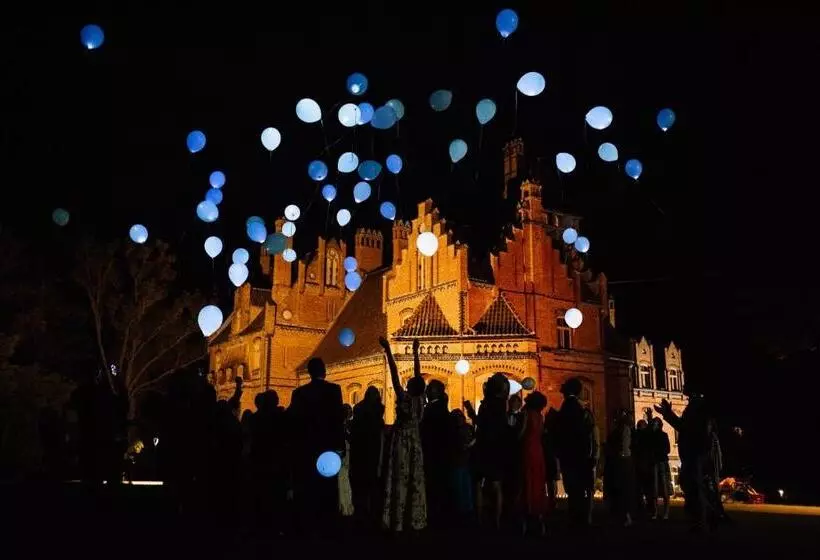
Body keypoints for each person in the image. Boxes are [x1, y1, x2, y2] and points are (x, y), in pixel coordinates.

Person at [288, 357, 345, 535]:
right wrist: (340, 445)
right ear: (324, 371)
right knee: (327, 486)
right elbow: (337, 420)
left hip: (306, 446)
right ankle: (328, 524)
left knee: (308, 485)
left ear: (310, 373)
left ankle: (307, 523)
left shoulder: (299, 393)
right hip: (327, 445)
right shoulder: (334, 390)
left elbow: (295, 422)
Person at [380, 337, 427, 532]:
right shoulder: (421, 400)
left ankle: (397, 520)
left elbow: (394, 374)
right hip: (415, 442)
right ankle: (415, 518)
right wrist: (416, 353)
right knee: (415, 479)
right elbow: (417, 375)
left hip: (402, 440)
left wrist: (388, 350)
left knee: (400, 478)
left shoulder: (405, 398)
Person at [654, 394, 715, 531]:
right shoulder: (696, 409)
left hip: (694, 455)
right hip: (692, 455)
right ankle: (700, 521)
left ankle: (700, 522)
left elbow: (686, 428)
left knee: (694, 489)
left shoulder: (697, 410)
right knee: (692, 488)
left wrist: (668, 414)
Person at [470, 373, 511, 530]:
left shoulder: (485, 404)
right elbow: (501, 428)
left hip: (483, 447)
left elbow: (481, 424)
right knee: (496, 485)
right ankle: (497, 520)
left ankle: (480, 519)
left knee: (479, 484)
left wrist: (473, 415)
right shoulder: (501, 405)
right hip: (496, 448)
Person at [555, 377, 598, 528]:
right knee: (579, 489)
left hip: (569, 454)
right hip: (580, 454)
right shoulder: (579, 408)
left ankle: (576, 519)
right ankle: (581, 519)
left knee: (573, 489)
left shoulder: (567, 406)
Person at [249, 390, 289, 535]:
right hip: (275, 462)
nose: (278, 400)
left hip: (260, 462)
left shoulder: (255, 419)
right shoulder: (278, 418)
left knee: (263, 494)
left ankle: (262, 525)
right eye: (276, 398)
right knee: (276, 495)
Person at [350, 385, 385, 531]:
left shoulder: (360, 410)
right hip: (372, 452)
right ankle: (372, 515)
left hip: (360, 453)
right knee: (372, 486)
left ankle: (361, 515)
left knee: (361, 487)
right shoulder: (377, 413)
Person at [421, 378, 450, 529]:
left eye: (429, 389)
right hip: (440, 453)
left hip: (433, 453)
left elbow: (427, 432)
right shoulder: (441, 408)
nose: (426, 392)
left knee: (433, 485)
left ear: (435, 391)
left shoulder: (433, 410)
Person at [517, 391, 548, 536]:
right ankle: (538, 514)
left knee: (527, 481)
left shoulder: (526, 414)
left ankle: (526, 515)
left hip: (527, 449)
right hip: (538, 450)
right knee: (537, 482)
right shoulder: (540, 416)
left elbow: (521, 432)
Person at [605, 409, 634, 527]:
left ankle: (626, 516)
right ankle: (621, 515)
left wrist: (619, 455)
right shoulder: (619, 430)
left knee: (622, 490)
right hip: (619, 461)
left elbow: (624, 447)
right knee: (619, 490)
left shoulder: (624, 429)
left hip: (621, 463)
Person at [448, 409, 475, 525]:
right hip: (460, 462)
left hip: (463, 462)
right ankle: (463, 512)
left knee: (463, 488)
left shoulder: (464, 429)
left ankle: (464, 511)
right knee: (462, 488)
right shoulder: (458, 430)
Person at [650, 417, 672, 520]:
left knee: (663, 487)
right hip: (656, 462)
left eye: (655, 423)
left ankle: (665, 512)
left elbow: (667, 449)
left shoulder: (662, 435)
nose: (653, 425)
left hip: (661, 462)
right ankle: (656, 512)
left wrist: (657, 452)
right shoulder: (654, 436)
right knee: (655, 487)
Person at [632, 419, 654, 516]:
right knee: (646, 488)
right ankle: (648, 508)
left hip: (640, 464)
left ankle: (642, 507)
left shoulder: (637, 435)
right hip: (644, 464)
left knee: (640, 488)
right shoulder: (645, 436)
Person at [542, 408, 561, 516]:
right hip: (551, 456)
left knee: (551, 480)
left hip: (550, 456)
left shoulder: (550, 430)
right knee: (551, 480)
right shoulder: (552, 430)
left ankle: (552, 500)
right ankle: (552, 500)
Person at [338, 404, 355, 518]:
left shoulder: (348, 426)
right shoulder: (343, 426)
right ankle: (344, 506)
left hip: (346, 454)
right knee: (343, 479)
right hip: (343, 454)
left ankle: (345, 505)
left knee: (344, 479)